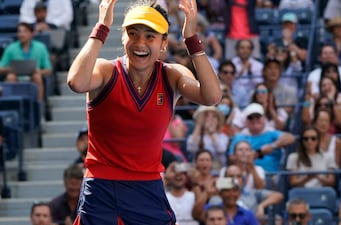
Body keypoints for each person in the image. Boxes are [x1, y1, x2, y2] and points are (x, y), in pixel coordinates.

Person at [66, 0, 222, 224]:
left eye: (150, 36)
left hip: (147, 187)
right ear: (123, 37)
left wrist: (191, 38)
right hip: (101, 186)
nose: (140, 42)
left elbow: (212, 96)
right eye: (133, 33)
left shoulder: (171, 75)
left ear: (164, 43)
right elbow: (76, 82)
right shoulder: (106, 70)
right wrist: (101, 27)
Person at [0, 22, 52, 102]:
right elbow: (1, 68)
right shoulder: (11, 48)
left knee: (37, 76)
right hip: (16, 77)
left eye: (25, 31)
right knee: (10, 77)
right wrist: (10, 69)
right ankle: (12, 105)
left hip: (33, 77)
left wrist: (39, 71)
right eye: (19, 31)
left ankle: (39, 106)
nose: (21, 34)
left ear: (32, 33)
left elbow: (48, 70)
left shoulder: (41, 47)